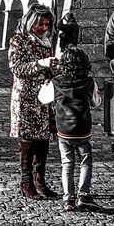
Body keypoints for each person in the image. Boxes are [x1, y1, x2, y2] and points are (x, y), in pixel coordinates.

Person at [8, 5, 58, 200]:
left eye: (47, 24)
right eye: (40, 24)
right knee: (27, 142)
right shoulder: (18, 40)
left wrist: (54, 68)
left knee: (43, 141)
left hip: (44, 98)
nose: (44, 28)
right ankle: (26, 183)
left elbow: (49, 68)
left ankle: (41, 182)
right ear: (31, 22)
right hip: (26, 98)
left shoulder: (46, 42)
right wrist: (40, 64)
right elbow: (16, 68)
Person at [48, 46, 98, 212]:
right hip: (83, 128)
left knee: (67, 164)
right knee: (85, 162)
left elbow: (43, 97)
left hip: (64, 129)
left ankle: (68, 199)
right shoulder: (89, 82)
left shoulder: (56, 82)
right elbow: (96, 102)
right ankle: (83, 194)